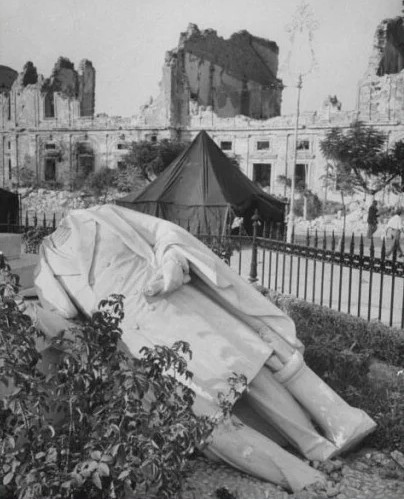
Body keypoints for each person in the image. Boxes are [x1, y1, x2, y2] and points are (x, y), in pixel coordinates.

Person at [23, 205, 375, 492]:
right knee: (206, 413)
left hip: (179, 307)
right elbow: (67, 321)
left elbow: (165, 232)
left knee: (248, 371)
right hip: (141, 344)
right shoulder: (45, 270)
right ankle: (299, 470)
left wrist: (171, 263)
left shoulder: (100, 216)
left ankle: (314, 444)